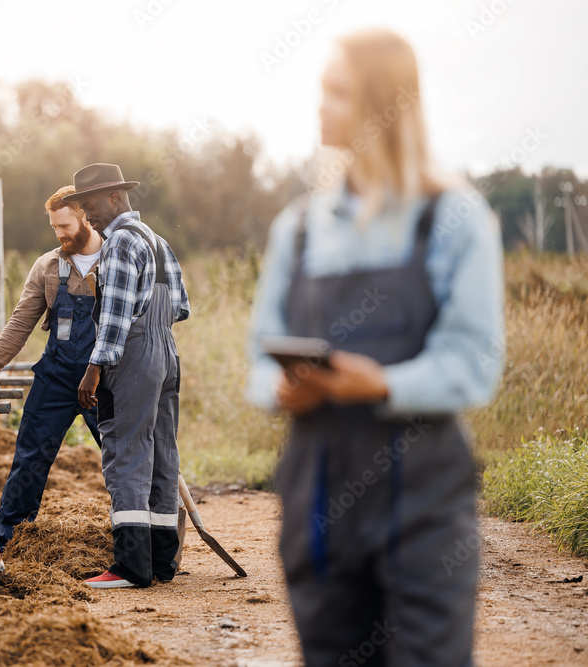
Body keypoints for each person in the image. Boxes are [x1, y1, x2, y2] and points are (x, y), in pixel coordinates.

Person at [246, 29, 504, 666]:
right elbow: (257, 358)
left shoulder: (452, 217)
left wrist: (384, 385)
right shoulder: (299, 229)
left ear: (384, 104)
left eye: (337, 92)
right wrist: (280, 389)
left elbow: (474, 361)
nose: (320, 107)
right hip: (318, 494)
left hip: (422, 499)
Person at [70, 163, 191, 589]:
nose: (88, 219)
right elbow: (181, 306)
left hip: (133, 357)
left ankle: (130, 566)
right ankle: (161, 561)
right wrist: (154, 333)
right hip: (166, 355)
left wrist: (93, 368)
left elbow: (117, 315)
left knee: (126, 451)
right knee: (161, 452)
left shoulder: (119, 243)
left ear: (116, 198)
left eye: (91, 207)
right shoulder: (157, 241)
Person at [0, 185, 103, 551]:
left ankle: (140, 536)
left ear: (85, 217)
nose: (59, 234)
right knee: (29, 454)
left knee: (124, 459)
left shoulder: (115, 261)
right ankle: (8, 534)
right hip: (57, 375)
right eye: (54, 227)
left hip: (104, 377)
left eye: (65, 225)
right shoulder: (47, 267)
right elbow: (20, 324)